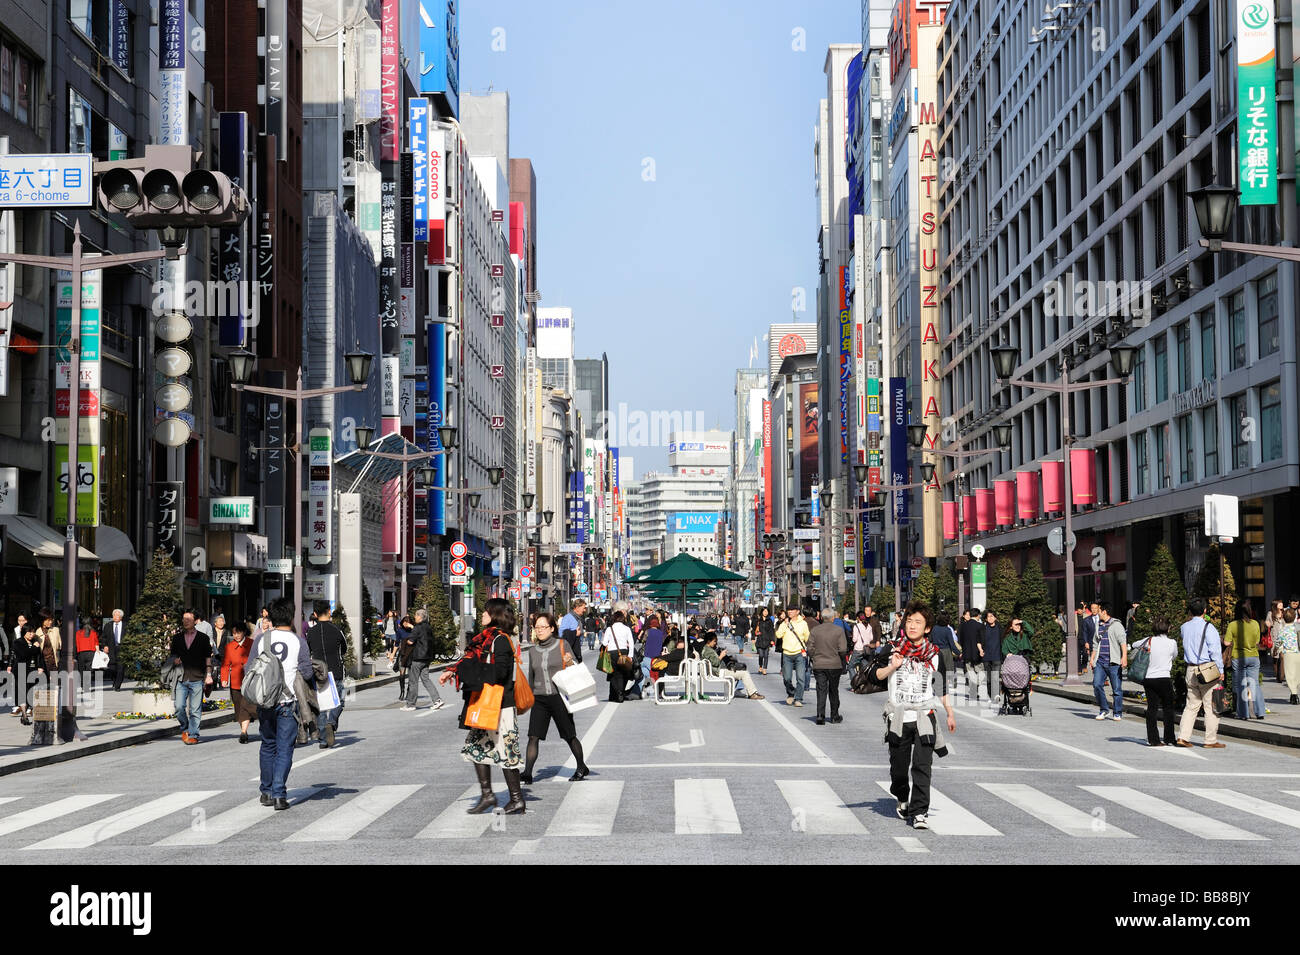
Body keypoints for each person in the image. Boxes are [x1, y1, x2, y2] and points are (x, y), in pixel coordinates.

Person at [439, 599, 526, 815]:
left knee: (506, 752)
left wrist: (472, 671)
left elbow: (501, 673)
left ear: (495, 614)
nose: (482, 615)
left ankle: (517, 799)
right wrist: (456, 670)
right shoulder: (485, 640)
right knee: (476, 749)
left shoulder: (501, 640)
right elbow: (472, 660)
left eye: (486, 611)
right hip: (485, 704)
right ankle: (487, 795)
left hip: (500, 706)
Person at [874, 601, 956, 831]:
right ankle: (902, 797)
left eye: (917, 622)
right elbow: (877, 675)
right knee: (899, 769)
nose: (912, 626)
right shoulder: (892, 649)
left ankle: (920, 812)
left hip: (924, 716)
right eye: (909, 621)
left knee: (922, 766)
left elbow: (940, 688)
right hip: (899, 717)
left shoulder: (935, 655)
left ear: (927, 628)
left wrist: (949, 713)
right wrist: (893, 666)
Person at [248, 598, 314, 810]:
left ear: (271, 616)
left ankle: (265, 792)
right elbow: (307, 672)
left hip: (265, 700)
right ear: (291, 615)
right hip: (287, 702)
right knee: (284, 749)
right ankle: (279, 794)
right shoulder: (298, 641)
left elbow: (250, 667)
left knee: (267, 745)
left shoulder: (261, 640)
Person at [520, 612, 590, 783]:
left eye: (543, 627)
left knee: (569, 735)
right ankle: (528, 772)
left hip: (559, 697)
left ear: (552, 628)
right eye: (537, 627)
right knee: (533, 736)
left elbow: (575, 666)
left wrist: (570, 660)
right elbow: (531, 676)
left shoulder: (562, 644)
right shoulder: (533, 651)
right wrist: (528, 698)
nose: (540, 630)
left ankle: (581, 766)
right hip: (540, 699)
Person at [1177, 598, 1225, 749]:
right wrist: (1221, 670)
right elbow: (1215, 651)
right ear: (1205, 611)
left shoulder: (1184, 627)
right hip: (1207, 670)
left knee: (1191, 705)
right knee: (1211, 705)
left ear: (1190, 611)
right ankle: (1210, 740)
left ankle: (1183, 737)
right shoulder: (1209, 628)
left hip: (1190, 669)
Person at [306, 600, 349, 746]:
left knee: (322, 706)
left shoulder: (310, 633)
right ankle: (332, 722)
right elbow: (344, 649)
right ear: (329, 612)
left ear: (315, 614)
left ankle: (323, 740)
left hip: (319, 674)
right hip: (336, 670)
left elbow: (308, 651)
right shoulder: (337, 630)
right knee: (340, 701)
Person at [168, 610, 213, 744]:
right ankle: (185, 728)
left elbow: (208, 658)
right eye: (184, 619)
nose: (185, 621)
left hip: (197, 678)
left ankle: (193, 734)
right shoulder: (177, 638)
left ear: (195, 621)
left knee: (195, 709)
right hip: (181, 678)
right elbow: (173, 655)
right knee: (179, 707)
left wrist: (209, 675)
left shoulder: (203, 638)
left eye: (188, 619)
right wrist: (174, 660)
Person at [1132, 617, 1178, 746]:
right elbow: (1174, 655)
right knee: (1168, 708)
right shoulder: (1172, 642)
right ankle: (1169, 738)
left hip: (1149, 678)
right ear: (1168, 628)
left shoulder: (1149, 641)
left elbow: (1134, 644)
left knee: (1152, 708)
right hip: (1164, 677)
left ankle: (1153, 739)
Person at [1224, 600, 1264, 720]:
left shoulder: (1233, 625)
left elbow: (1227, 642)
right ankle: (1260, 711)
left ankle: (1243, 713)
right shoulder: (1255, 624)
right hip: (1253, 656)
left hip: (1239, 657)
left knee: (1241, 685)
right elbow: (1257, 642)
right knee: (1255, 684)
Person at [807, 608, 847, 724]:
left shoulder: (815, 630)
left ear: (821, 617)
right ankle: (834, 715)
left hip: (819, 663)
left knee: (821, 689)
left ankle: (820, 715)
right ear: (833, 618)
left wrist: (814, 656)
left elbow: (809, 648)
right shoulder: (838, 630)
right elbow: (843, 649)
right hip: (834, 664)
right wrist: (839, 657)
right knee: (833, 690)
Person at [402, 607, 446, 711]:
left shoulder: (417, 628)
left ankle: (411, 704)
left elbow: (411, 641)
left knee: (413, 681)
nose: (415, 617)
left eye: (416, 615)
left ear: (420, 617)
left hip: (417, 657)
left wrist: (406, 641)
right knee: (426, 679)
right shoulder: (428, 627)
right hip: (427, 657)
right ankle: (437, 700)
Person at [1089, 603, 1127, 721]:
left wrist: (1124, 657)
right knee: (1097, 685)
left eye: (1099, 610)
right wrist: (1092, 658)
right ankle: (1104, 709)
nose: (1097, 612)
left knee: (1116, 689)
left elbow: (1123, 642)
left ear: (1104, 611)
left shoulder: (1116, 625)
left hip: (1114, 662)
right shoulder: (1098, 625)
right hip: (1100, 662)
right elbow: (1095, 643)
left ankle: (1117, 712)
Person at [700, 631, 764, 700]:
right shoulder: (708, 651)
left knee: (741, 668)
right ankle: (752, 693)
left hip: (716, 671)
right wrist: (721, 656)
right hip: (718, 672)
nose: (716, 643)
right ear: (709, 641)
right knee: (744, 673)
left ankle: (740, 689)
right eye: (714, 641)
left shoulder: (707, 649)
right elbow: (715, 663)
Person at [221, 620, 256, 742]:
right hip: (236, 681)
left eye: (238, 632)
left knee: (246, 706)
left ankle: (243, 732)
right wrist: (224, 678)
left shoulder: (252, 644)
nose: (236, 635)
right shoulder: (229, 647)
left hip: (250, 681)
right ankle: (243, 729)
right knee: (238, 707)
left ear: (244, 632)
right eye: (234, 633)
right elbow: (225, 664)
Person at [776, 606, 810, 707]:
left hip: (799, 653)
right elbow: (778, 635)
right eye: (789, 610)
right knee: (786, 678)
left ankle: (798, 698)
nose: (789, 612)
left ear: (797, 612)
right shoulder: (784, 623)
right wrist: (785, 625)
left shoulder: (803, 623)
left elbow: (807, 637)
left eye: (792, 610)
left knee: (800, 678)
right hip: (787, 653)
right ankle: (791, 693)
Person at [600, 608, 636, 703]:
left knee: (613, 674)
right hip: (624, 652)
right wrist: (631, 656)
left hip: (612, 653)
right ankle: (621, 692)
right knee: (623, 674)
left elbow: (604, 643)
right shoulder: (626, 628)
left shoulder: (609, 629)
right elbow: (631, 643)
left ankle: (618, 693)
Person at [1273, 608, 1299, 704]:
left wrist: (1275, 650)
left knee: (1290, 674)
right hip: (1298, 652)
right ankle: (1295, 692)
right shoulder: (1298, 628)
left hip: (1288, 654)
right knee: (1297, 674)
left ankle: (1294, 694)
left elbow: (1278, 642)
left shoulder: (1283, 630)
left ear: (1283, 618)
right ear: (1295, 617)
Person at [958, 607, 984, 701]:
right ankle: (975, 688)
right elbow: (982, 640)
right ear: (978, 615)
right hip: (977, 653)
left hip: (967, 653)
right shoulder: (980, 626)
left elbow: (960, 639)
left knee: (970, 672)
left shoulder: (963, 626)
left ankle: (973, 691)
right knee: (980, 672)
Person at [979, 610, 1003, 703]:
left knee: (995, 677)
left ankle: (996, 695)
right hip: (986, 657)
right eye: (988, 616)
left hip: (997, 656)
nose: (990, 618)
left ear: (995, 617)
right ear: (985, 618)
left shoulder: (1000, 628)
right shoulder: (983, 629)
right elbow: (978, 641)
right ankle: (991, 695)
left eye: (992, 616)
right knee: (989, 679)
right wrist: (981, 650)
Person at [640, 613, 666, 691]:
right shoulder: (661, 633)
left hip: (647, 655)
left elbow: (643, 640)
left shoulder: (648, 631)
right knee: (655, 673)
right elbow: (662, 642)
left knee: (643, 671)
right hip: (657, 657)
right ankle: (655, 687)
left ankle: (642, 689)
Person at [103, 608, 127, 692]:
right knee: (112, 667)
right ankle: (114, 680)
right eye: (114, 615)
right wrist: (105, 645)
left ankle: (117, 686)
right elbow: (104, 637)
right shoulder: (108, 625)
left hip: (122, 648)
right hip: (111, 648)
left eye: (117, 615)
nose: (115, 617)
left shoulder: (125, 625)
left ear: (121, 617)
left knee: (121, 667)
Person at [930, 612, 959, 680]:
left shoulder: (934, 628)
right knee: (948, 670)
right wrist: (958, 653)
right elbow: (952, 644)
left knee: (937, 669)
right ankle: (949, 685)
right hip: (946, 652)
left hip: (935, 651)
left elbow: (931, 640)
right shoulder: (947, 630)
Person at [393, 615, 414, 700]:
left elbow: (420, 635)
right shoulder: (400, 631)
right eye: (405, 622)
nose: (406, 624)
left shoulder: (414, 630)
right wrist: (392, 654)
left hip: (412, 655)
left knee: (411, 676)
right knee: (401, 675)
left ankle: (409, 692)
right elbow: (397, 643)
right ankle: (402, 691)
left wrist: (412, 627)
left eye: (408, 622)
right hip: (403, 654)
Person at [559, 598, 586, 664]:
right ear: (577, 607)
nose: (585, 610)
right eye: (583, 608)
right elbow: (561, 633)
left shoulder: (577, 618)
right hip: (569, 652)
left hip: (575, 649)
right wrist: (575, 633)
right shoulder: (568, 618)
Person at [754, 607, 774, 674]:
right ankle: (760, 666)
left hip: (767, 640)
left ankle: (765, 669)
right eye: (764, 611)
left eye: (767, 611)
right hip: (760, 640)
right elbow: (754, 628)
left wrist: (772, 640)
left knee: (766, 655)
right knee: (761, 655)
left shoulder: (770, 621)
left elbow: (771, 630)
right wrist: (754, 637)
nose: (765, 612)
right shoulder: (759, 620)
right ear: (762, 612)